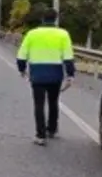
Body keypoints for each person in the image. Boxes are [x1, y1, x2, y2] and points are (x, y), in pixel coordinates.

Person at [16, 8, 75, 145]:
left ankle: (40, 135)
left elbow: (21, 55)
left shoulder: (32, 34)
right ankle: (52, 129)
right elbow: (68, 57)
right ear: (55, 19)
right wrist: (70, 75)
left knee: (39, 104)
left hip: (37, 74)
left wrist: (22, 70)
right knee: (53, 102)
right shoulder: (63, 34)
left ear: (42, 19)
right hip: (55, 74)